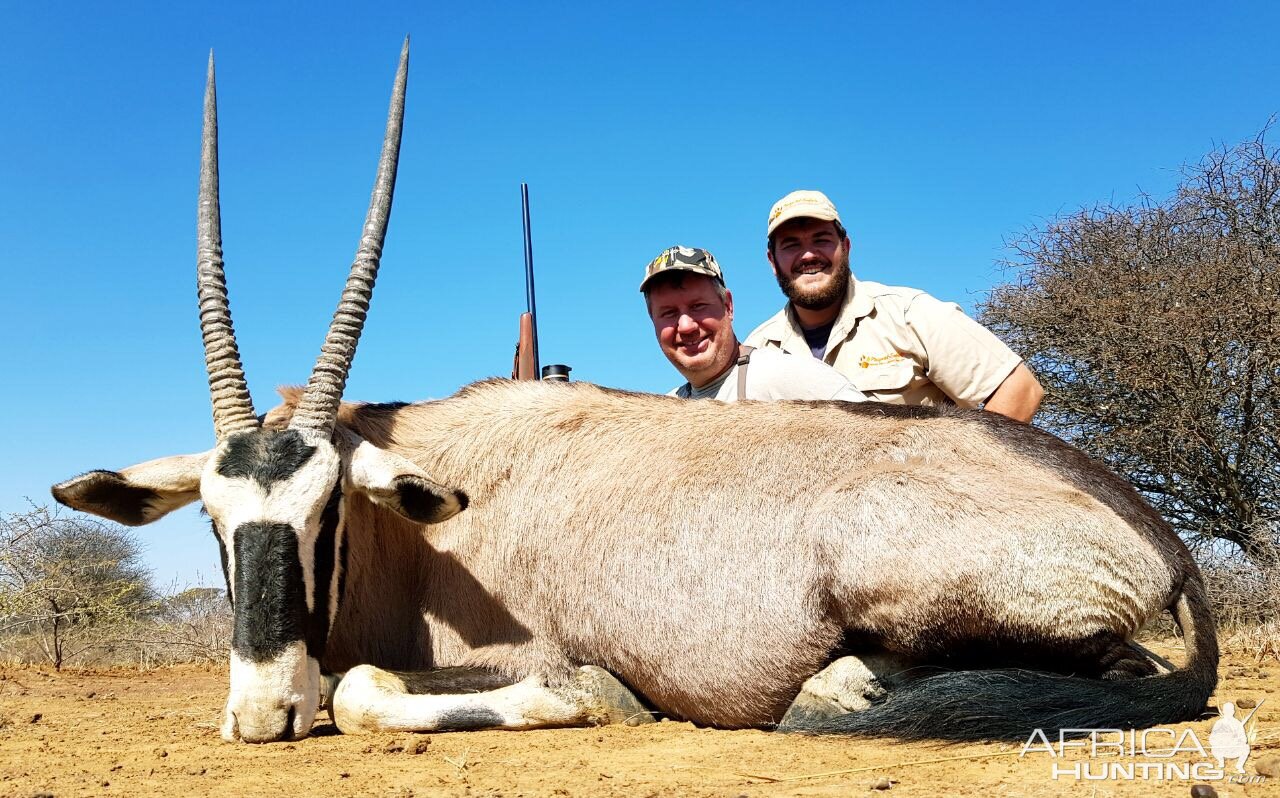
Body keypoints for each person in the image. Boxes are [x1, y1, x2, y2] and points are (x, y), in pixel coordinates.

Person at [744, 190, 1044, 422]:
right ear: (772, 261)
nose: (808, 254)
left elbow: (1020, 389)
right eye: (791, 244)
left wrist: (956, 481)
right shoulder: (756, 351)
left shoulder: (911, 314)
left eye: (821, 239)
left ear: (845, 247)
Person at [641, 245, 865, 402]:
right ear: (653, 321)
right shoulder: (667, 410)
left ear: (728, 306)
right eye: (669, 313)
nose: (686, 326)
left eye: (698, 306)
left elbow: (884, 439)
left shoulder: (785, 375)